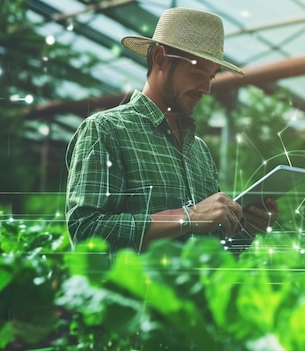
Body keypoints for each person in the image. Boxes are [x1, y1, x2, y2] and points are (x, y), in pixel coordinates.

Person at [65, 7, 279, 253]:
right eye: (197, 72)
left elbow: (214, 254)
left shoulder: (199, 151)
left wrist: (248, 228)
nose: (206, 89)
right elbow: (85, 232)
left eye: (211, 77)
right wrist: (188, 216)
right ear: (160, 59)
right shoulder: (105, 130)